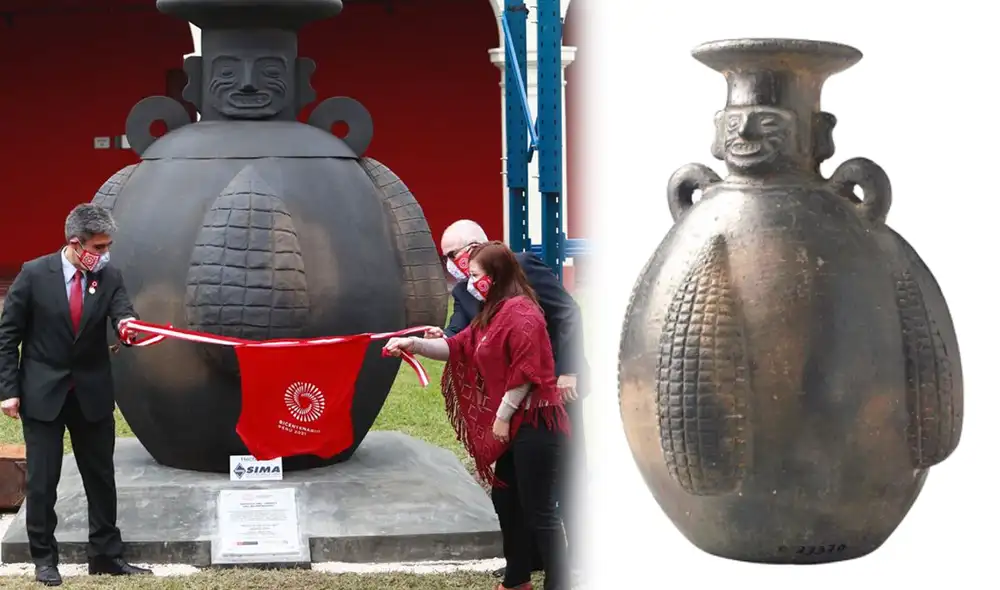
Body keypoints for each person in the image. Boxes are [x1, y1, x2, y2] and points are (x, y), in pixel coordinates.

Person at [385, 241, 571, 590]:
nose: (471, 283)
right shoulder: (493, 311)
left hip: (535, 423)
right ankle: (517, 579)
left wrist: (501, 417)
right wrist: (414, 345)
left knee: (539, 509)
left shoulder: (523, 313)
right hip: (518, 424)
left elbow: (526, 373)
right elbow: (458, 345)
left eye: (476, 275)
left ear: (496, 275)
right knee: (506, 499)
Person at [0, 204, 151, 586]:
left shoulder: (109, 275)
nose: (104, 255)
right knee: (42, 479)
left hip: (92, 393)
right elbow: (7, 336)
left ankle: (105, 555)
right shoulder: (34, 274)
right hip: (42, 393)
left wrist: (128, 328)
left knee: (100, 477)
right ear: (75, 243)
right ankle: (44, 560)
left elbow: (123, 314)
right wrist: (8, 390)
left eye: (107, 247)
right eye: (98, 247)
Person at [433, 219, 588, 578]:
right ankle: (526, 561)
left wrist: (569, 370)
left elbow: (567, 313)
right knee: (512, 490)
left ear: (475, 247)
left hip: (553, 394)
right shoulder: (464, 293)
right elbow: (460, 335)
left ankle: (574, 560)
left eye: (452, 255)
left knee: (562, 481)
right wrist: (436, 338)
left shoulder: (522, 270)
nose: (451, 266)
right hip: (510, 403)